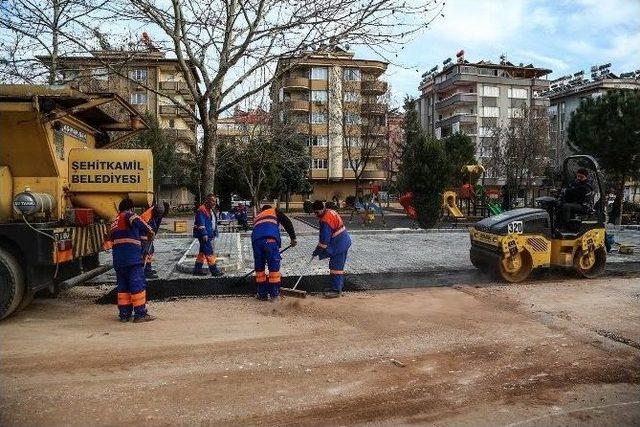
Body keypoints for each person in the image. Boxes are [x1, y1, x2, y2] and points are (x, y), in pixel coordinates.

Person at [109, 198, 156, 323]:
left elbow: (110, 237)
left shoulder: (115, 221)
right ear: (131, 208)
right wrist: (150, 231)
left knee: (123, 287)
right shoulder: (129, 215)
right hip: (132, 258)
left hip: (118, 260)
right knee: (137, 284)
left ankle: (124, 315)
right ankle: (140, 314)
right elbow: (140, 222)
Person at [251, 204, 297, 300]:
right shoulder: (274, 211)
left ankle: (262, 294)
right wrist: (293, 238)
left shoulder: (258, 216)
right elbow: (287, 222)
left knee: (259, 269)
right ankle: (274, 295)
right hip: (270, 240)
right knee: (273, 269)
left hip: (256, 242)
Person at [311, 200, 352, 298]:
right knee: (336, 266)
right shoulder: (329, 211)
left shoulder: (325, 220)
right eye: (314, 213)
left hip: (339, 244)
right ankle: (336, 287)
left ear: (322, 209)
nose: (316, 215)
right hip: (342, 241)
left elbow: (324, 242)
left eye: (317, 212)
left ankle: (337, 290)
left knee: (336, 267)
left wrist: (316, 252)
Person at [193, 194, 223, 277]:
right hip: (204, 236)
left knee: (202, 253)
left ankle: (197, 270)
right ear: (207, 201)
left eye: (215, 201)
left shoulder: (210, 210)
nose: (214, 203)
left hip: (209, 234)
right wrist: (204, 234)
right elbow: (201, 223)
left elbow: (213, 222)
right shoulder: (202, 210)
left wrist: (214, 232)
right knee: (209, 253)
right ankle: (214, 271)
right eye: (212, 201)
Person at [140, 202, 168, 279]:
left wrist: (154, 233)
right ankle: (145, 272)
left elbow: (157, 224)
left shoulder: (158, 211)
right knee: (146, 252)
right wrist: (150, 236)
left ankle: (147, 269)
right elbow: (143, 229)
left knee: (150, 251)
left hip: (149, 234)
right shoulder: (146, 217)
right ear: (155, 212)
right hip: (143, 235)